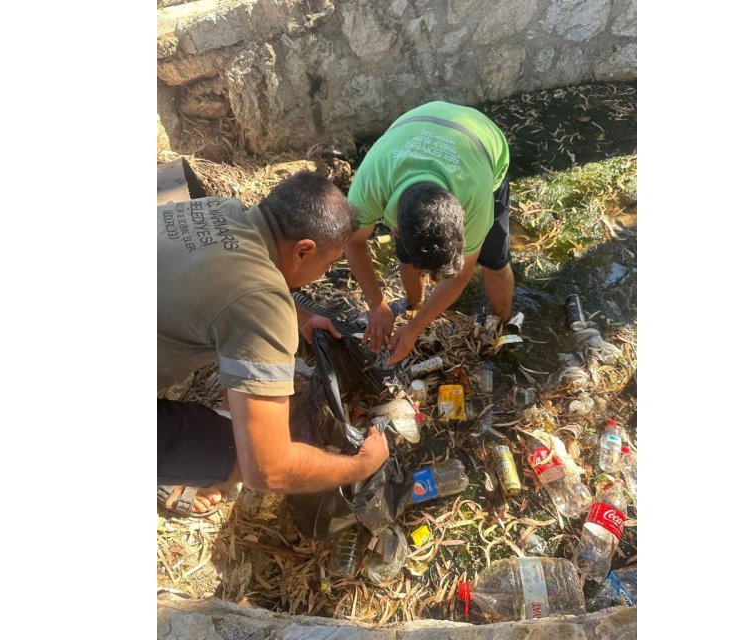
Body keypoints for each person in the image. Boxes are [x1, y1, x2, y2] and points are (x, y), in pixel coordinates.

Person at [157, 170, 389, 516]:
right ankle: (169, 474)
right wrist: (361, 465)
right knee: (239, 451)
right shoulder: (265, 307)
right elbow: (268, 470)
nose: (326, 273)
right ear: (303, 251)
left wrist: (303, 317)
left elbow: (235, 277)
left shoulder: (222, 210)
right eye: (329, 263)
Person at [344, 101, 513, 365]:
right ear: (396, 230)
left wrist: (415, 330)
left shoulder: (476, 199)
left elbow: (459, 277)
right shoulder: (370, 185)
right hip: (414, 131)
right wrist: (377, 304)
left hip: (480, 142)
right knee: (409, 261)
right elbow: (353, 243)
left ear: (463, 223)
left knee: (496, 262)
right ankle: (414, 305)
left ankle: (501, 325)